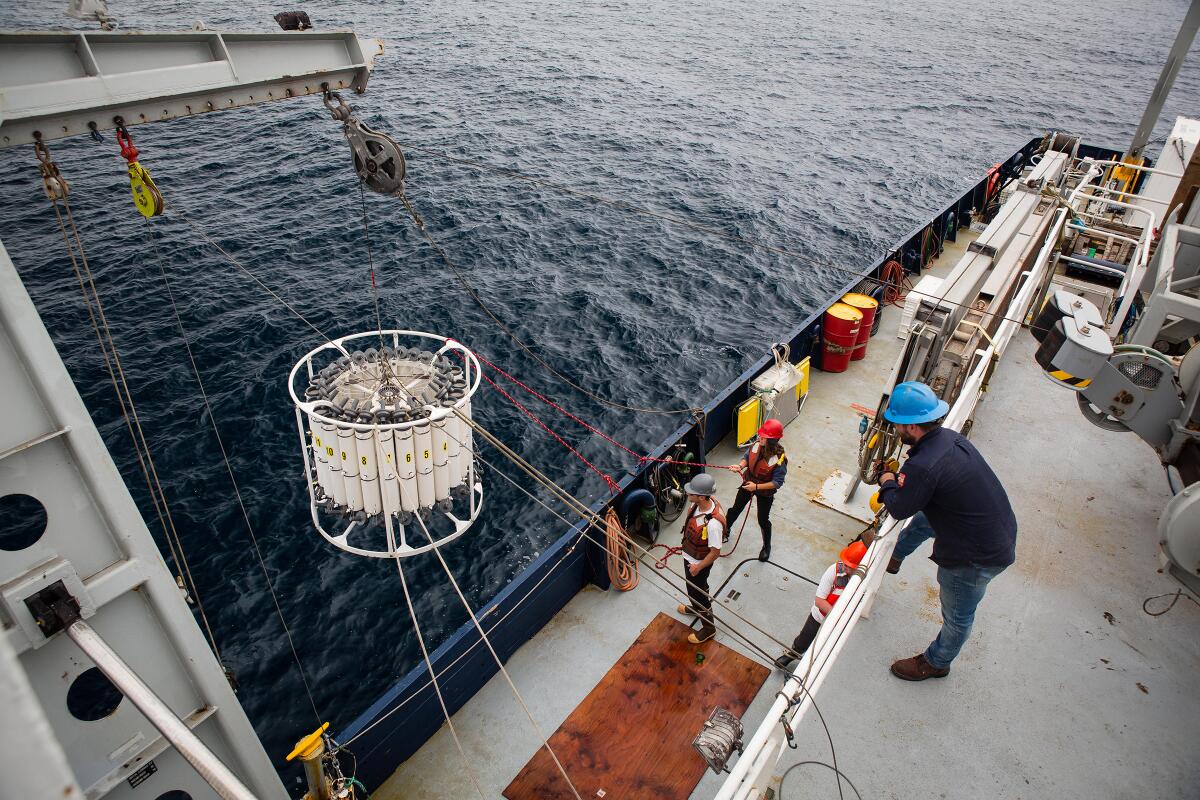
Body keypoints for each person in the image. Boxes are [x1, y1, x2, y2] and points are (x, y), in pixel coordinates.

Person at [876, 381, 1017, 681]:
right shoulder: (949, 439)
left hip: (976, 558)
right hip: (997, 530)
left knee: (958, 616)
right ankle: (896, 554)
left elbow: (900, 507)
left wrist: (887, 479)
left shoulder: (923, 465)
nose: (897, 430)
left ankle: (937, 662)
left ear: (912, 427)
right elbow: (924, 499)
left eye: (899, 425)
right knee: (927, 518)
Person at [774, 541, 867, 669]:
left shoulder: (863, 581)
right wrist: (838, 618)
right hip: (821, 615)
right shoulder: (833, 571)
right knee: (805, 637)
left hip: (838, 623)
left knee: (826, 647)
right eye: (845, 564)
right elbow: (819, 601)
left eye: (850, 567)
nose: (846, 568)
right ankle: (793, 654)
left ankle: (814, 666)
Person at [725, 418, 788, 562]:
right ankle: (726, 529)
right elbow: (747, 457)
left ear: (771, 440)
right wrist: (740, 466)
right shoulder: (756, 445)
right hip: (748, 483)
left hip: (764, 491)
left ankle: (766, 547)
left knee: (763, 520)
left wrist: (757, 487)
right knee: (736, 509)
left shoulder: (779, 459)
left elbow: (777, 482)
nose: (759, 437)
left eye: (763, 436)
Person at [676, 472, 725, 644]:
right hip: (689, 555)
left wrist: (698, 567)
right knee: (692, 589)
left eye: (691, 493)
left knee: (699, 592)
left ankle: (709, 629)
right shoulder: (698, 506)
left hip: (698, 563)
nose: (687, 494)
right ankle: (695, 607)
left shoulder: (713, 524)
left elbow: (715, 552)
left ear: (702, 497)